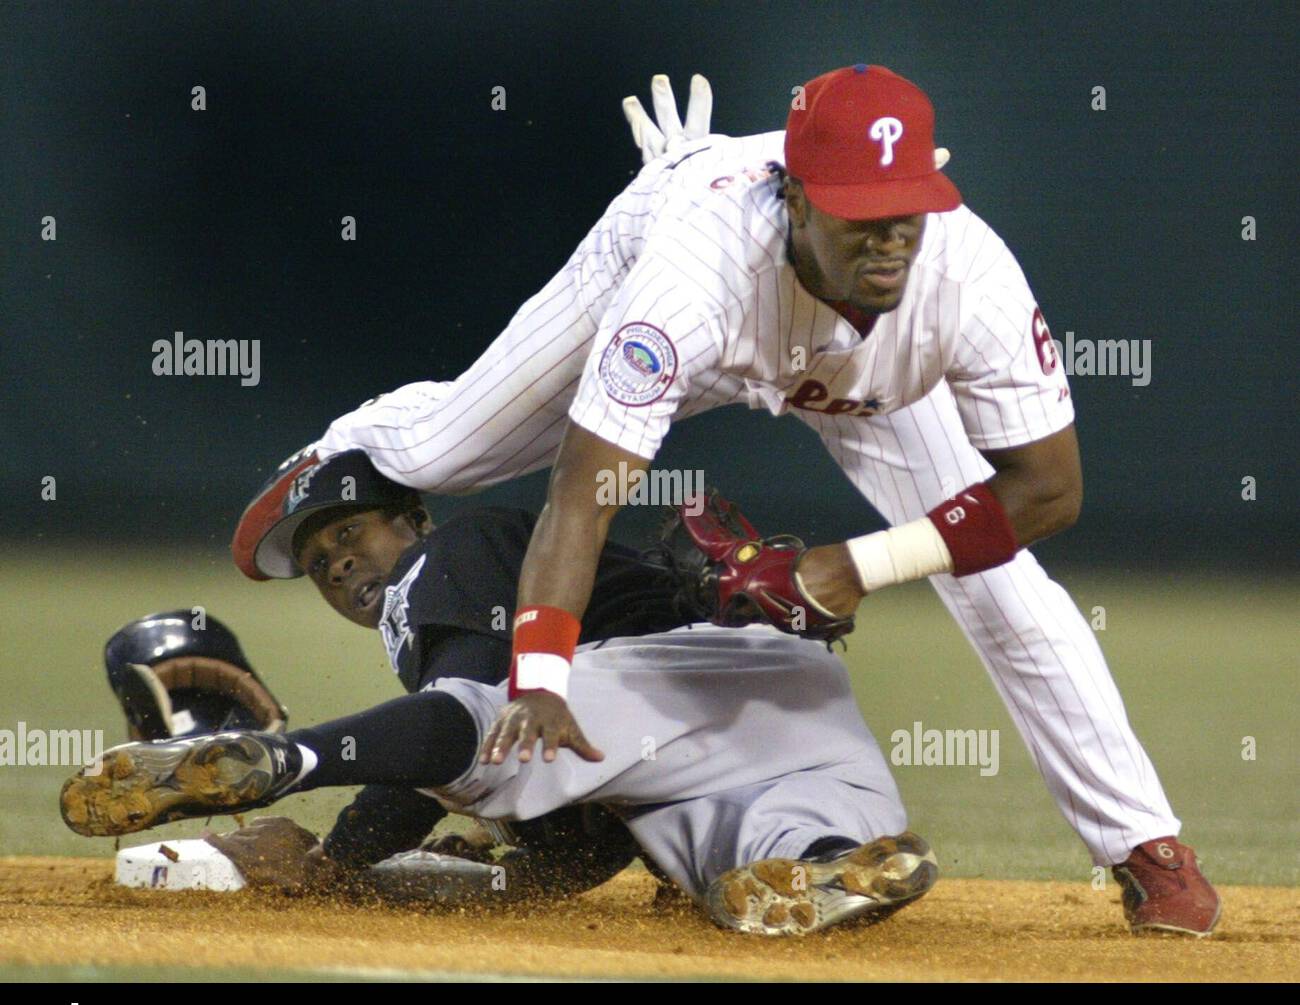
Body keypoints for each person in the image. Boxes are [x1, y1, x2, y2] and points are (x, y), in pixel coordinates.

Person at [230, 70, 1219, 937]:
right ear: (791, 195)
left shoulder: (968, 277)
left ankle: (1143, 846)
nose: (888, 235)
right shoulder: (687, 279)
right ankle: (350, 439)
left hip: (871, 385)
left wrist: (857, 563)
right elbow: (585, 492)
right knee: (457, 446)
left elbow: (1048, 490)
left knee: (1003, 589)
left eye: (906, 204)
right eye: (855, 207)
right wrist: (538, 667)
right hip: (683, 268)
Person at [62, 450, 938, 937]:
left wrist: (341, 859)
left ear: (412, 522)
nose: (338, 561)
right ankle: (827, 859)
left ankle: (291, 758)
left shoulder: (448, 556)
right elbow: (583, 843)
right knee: (750, 860)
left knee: (495, 725)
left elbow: (480, 719)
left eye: (350, 531)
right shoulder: (460, 589)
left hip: (676, 672)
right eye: (322, 564)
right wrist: (520, 872)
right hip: (766, 722)